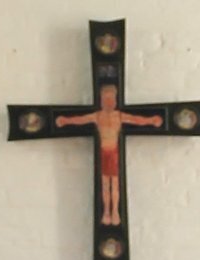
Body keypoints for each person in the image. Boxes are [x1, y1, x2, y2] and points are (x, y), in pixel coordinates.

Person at [56, 85, 163, 226]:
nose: (108, 102)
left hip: (114, 153)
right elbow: (80, 120)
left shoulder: (119, 116)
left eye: (111, 99)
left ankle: (115, 211)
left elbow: (137, 120)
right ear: (101, 101)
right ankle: (106, 211)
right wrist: (65, 121)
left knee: (115, 185)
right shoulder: (97, 116)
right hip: (103, 152)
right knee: (105, 185)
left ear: (115, 100)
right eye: (105, 99)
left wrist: (151, 120)